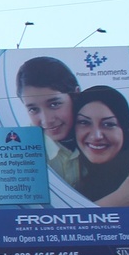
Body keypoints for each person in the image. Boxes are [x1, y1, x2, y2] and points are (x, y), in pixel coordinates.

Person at [72, 85, 129, 207]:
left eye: (108, 124)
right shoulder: (67, 176)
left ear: (125, 129)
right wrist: (118, 200)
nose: (96, 136)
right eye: (84, 122)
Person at [16, 56, 82, 187]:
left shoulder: (100, 138)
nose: (47, 120)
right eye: (33, 109)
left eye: (54, 104)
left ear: (76, 95)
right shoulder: (21, 154)